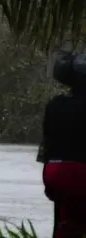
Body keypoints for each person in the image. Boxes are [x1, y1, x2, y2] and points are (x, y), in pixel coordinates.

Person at [42, 52, 86, 238]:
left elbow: (47, 145)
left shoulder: (55, 104)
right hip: (80, 173)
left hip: (54, 173)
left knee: (65, 219)